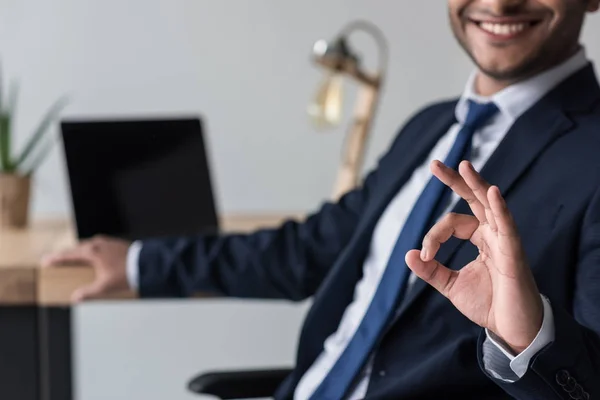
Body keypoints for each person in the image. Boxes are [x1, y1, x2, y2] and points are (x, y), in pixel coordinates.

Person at [44, 0, 600, 398]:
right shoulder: (428, 128)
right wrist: (141, 263)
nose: (500, 2)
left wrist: (527, 338)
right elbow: (312, 249)